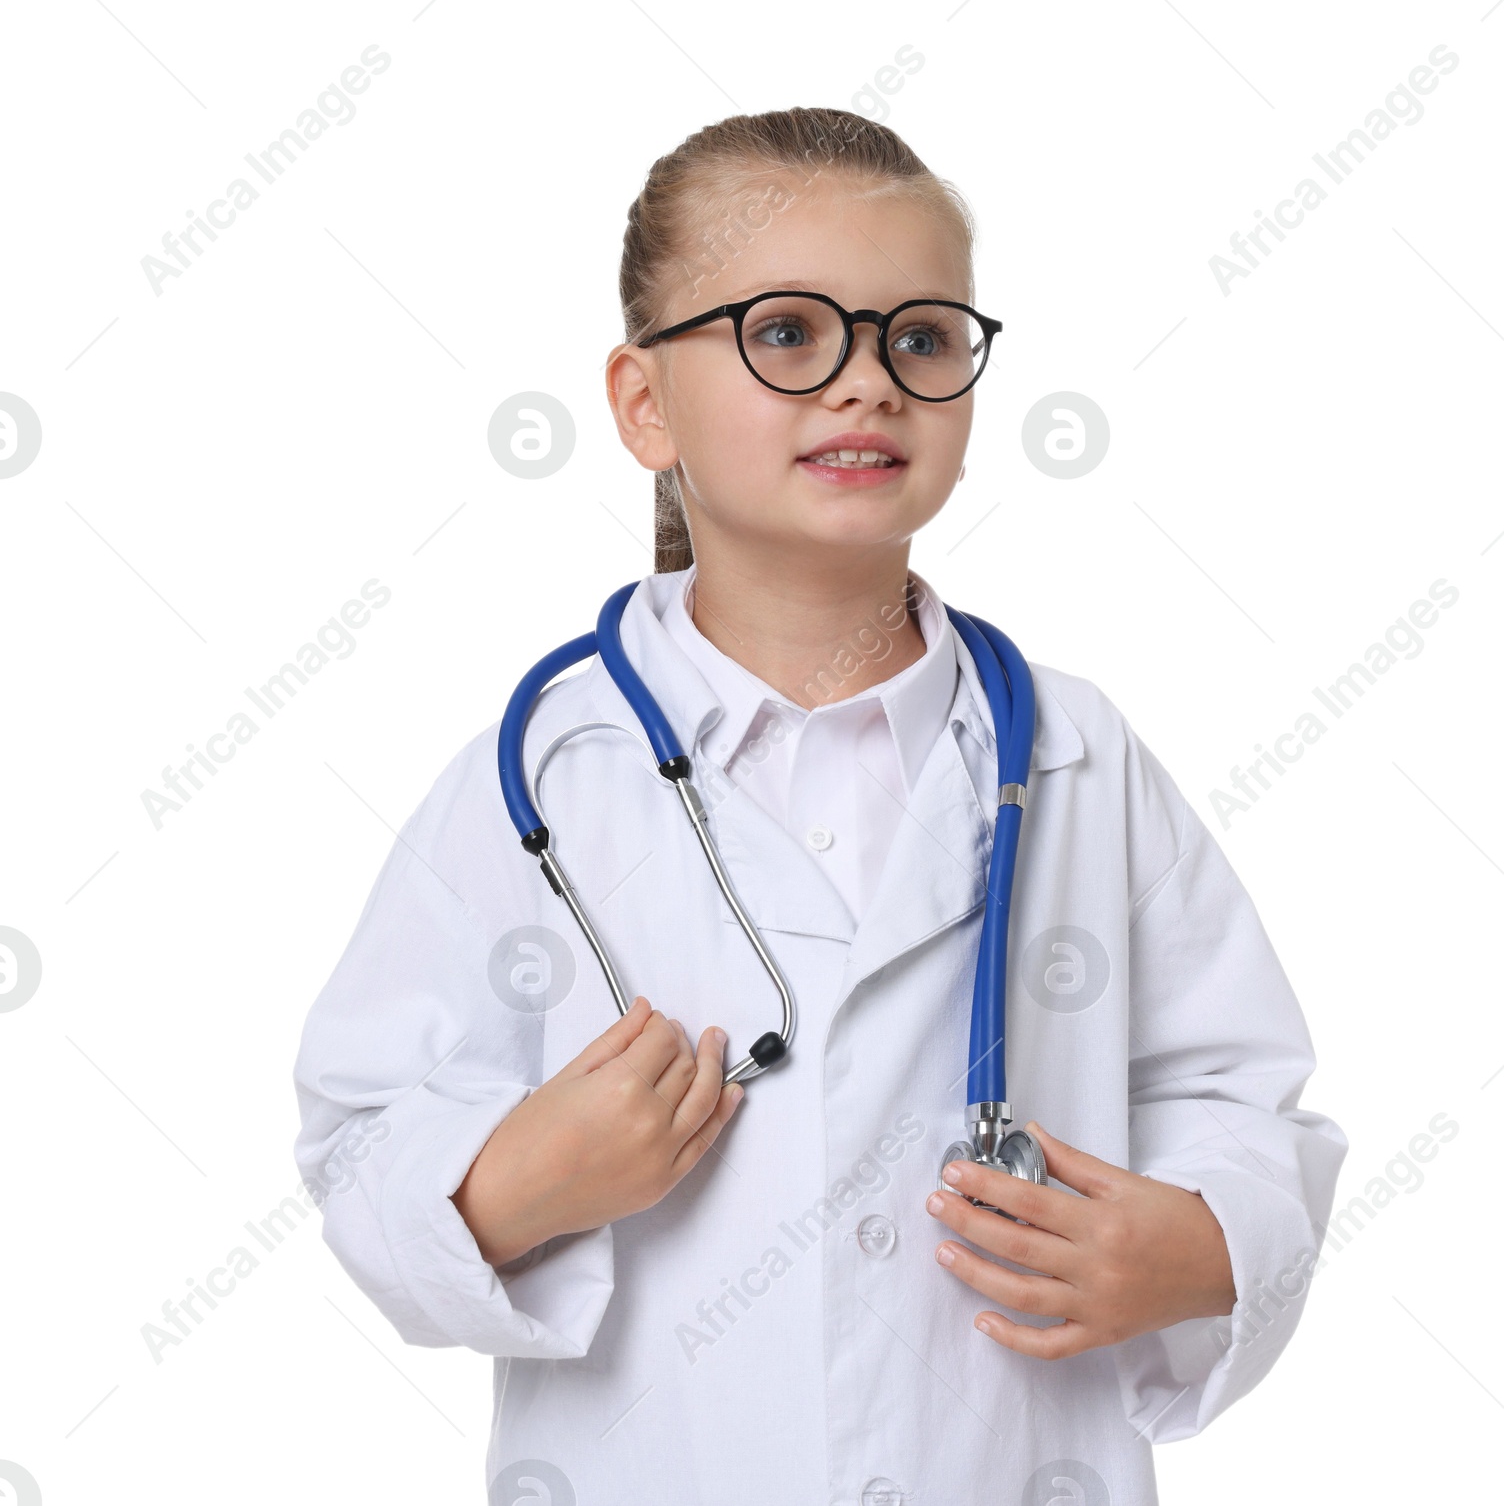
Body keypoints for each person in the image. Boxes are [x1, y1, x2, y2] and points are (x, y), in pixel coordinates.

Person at [291, 106, 1347, 1505]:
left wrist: (1204, 1240)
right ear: (642, 402)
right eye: (787, 333)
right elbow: (362, 1128)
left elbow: (1233, 1088)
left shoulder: (1075, 753)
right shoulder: (548, 773)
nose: (867, 384)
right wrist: (503, 1187)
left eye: (919, 336)